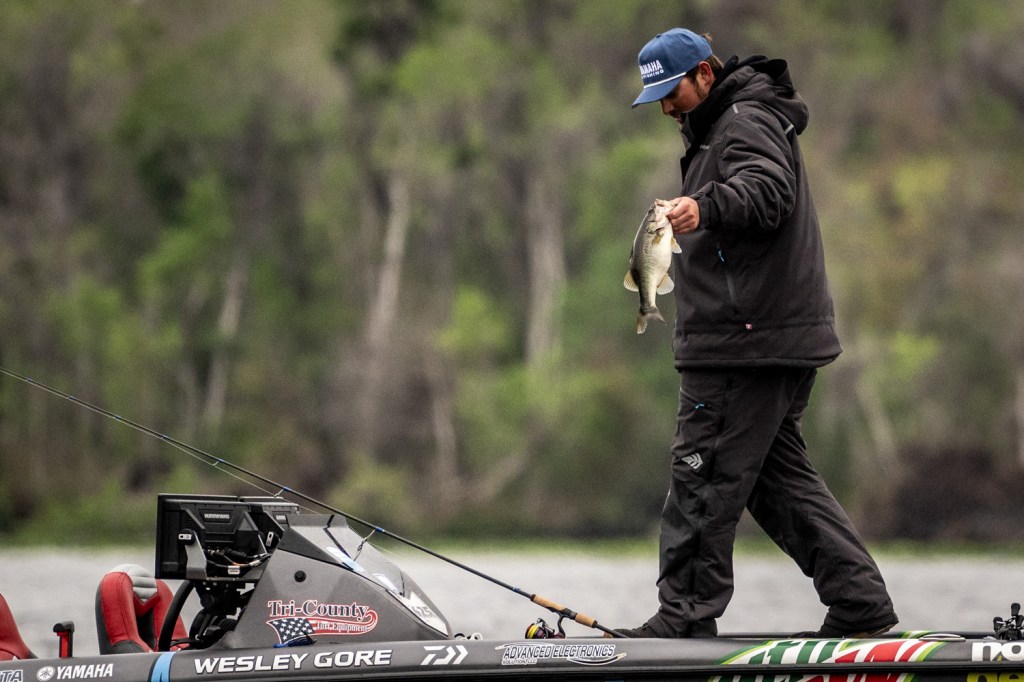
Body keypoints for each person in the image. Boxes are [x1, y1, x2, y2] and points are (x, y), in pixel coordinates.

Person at [618, 28, 897, 639]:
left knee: (701, 476)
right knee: (776, 483)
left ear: (705, 74)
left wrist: (705, 206)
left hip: (744, 344)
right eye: (657, 99)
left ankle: (684, 620)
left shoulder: (743, 120)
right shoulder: (725, 126)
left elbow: (769, 192)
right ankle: (860, 606)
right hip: (767, 338)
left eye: (672, 93)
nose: (666, 109)